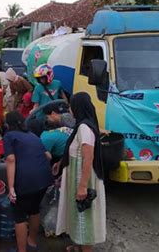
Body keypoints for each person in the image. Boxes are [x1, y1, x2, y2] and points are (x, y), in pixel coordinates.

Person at [56, 92, 106, 252]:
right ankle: (78, 244)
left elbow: (88, 158)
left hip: (83, 177)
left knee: (85, 214)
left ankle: (85, 249)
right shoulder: (82, 125)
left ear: (77, 107)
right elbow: (73, 150)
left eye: (71, 105)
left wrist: (83, 186)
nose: (70, 109)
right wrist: (60, 163)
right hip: (75, 174)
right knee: (77, 212)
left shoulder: (84, 128)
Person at [4, 111, 53, 252]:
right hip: (44, 178)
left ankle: (22, 250)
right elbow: (48, 156)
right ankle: (31, 241)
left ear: (8, 124)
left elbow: (11, 160)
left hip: (26, 181)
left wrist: (11, 187)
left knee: (19, 216)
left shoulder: (9, 136)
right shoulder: (32, 135)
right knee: (34, 209)